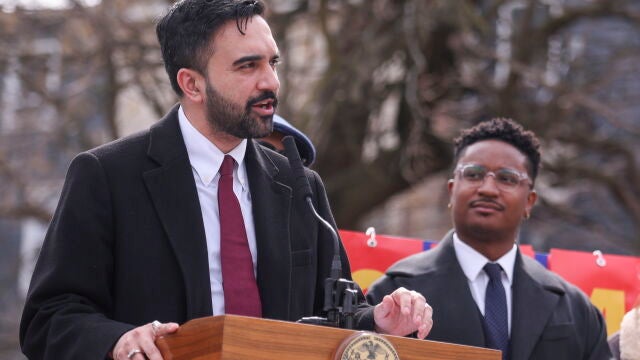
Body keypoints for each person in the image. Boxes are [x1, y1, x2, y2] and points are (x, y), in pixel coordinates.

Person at [19, 1, 433, 359]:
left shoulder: (298, 185)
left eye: (272, 63)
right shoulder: (107, 175)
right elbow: (49, 316)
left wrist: (378, 320)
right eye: (247, 66)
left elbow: (334, 314)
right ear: (192, 84)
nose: (270, 81)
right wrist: (118, 340)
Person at [367, 118, 610, 359]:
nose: (487, 189)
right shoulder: (395, 296)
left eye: (507, 178)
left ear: (529, 201)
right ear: (452, 190)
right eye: (473, 174)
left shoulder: (576, 309)